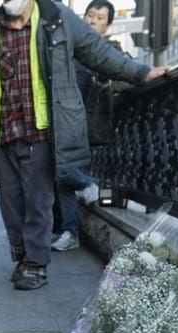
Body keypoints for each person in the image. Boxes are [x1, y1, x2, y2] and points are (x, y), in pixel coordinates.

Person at [0, 0, 167, 290]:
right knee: (10, 203)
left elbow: (98, 53)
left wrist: (141, 73)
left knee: (38, 200)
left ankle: (36, 263)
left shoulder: (58, 17)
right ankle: (22, 256)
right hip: (4, 130)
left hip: (43, 128)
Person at [51, 0, 123, 252]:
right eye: (89, 15)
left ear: (108, 25)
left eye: (99, 18)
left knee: (63, 172)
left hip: (91, 125)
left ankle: (71, 224)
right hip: (65, 122)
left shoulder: (111, 49)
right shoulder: (71, 49)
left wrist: (109, 84)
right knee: (61, 175)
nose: (92, 20)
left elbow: (126, 79)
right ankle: (68, 228)